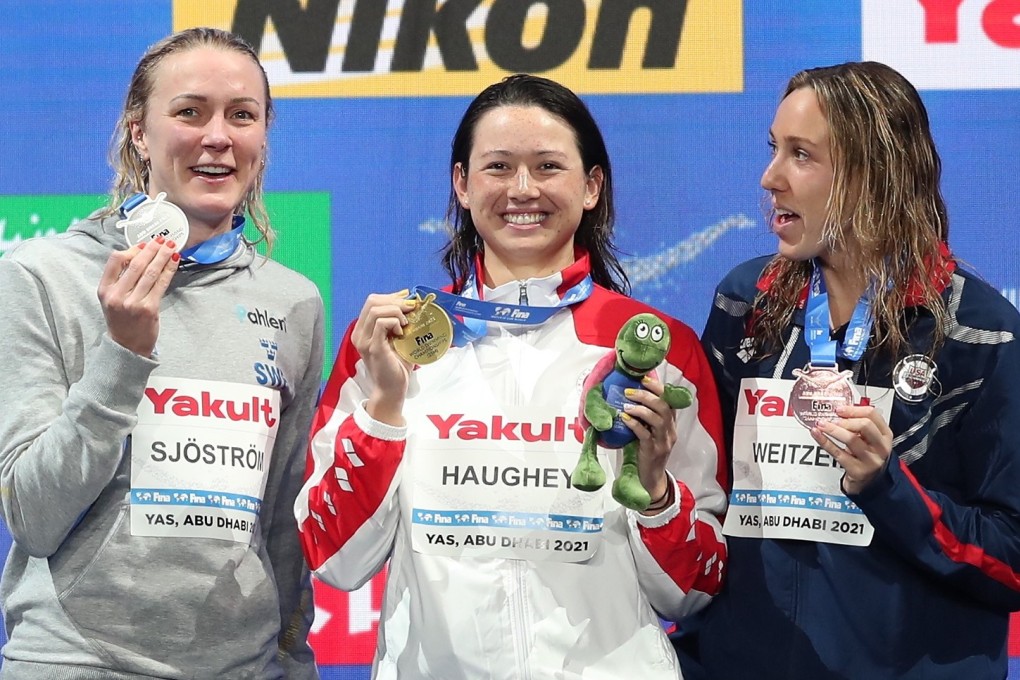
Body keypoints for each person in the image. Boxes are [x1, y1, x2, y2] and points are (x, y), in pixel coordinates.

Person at [296, 74, 728, 679]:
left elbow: (694, 591)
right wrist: (385, 408)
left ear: (592, 186)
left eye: (548, 166)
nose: (523, 189)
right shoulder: (392, 342)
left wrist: (656, 494)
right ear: (462, 185)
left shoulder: (658, 351)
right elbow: (333, 558)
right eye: (498, 167)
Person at [679, 61, 1020, 679]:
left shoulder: (981, 334)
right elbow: (708, 494)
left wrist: (886, 487)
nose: (770, 177)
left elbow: (1012, 558)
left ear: (873, 177)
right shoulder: (747, 302)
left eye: (801, 155)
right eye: (774, 149)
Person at [0, 28, 324, 679]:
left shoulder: (294, 302)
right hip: (76, 661)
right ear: (139, 135)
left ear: (263, 139)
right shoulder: (40, 277)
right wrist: (122, 354)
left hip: (247, 666)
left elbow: (284, 525)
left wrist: (294, 660)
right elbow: (33, 518)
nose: (217, 136)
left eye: (242, 115)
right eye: (189, 111)